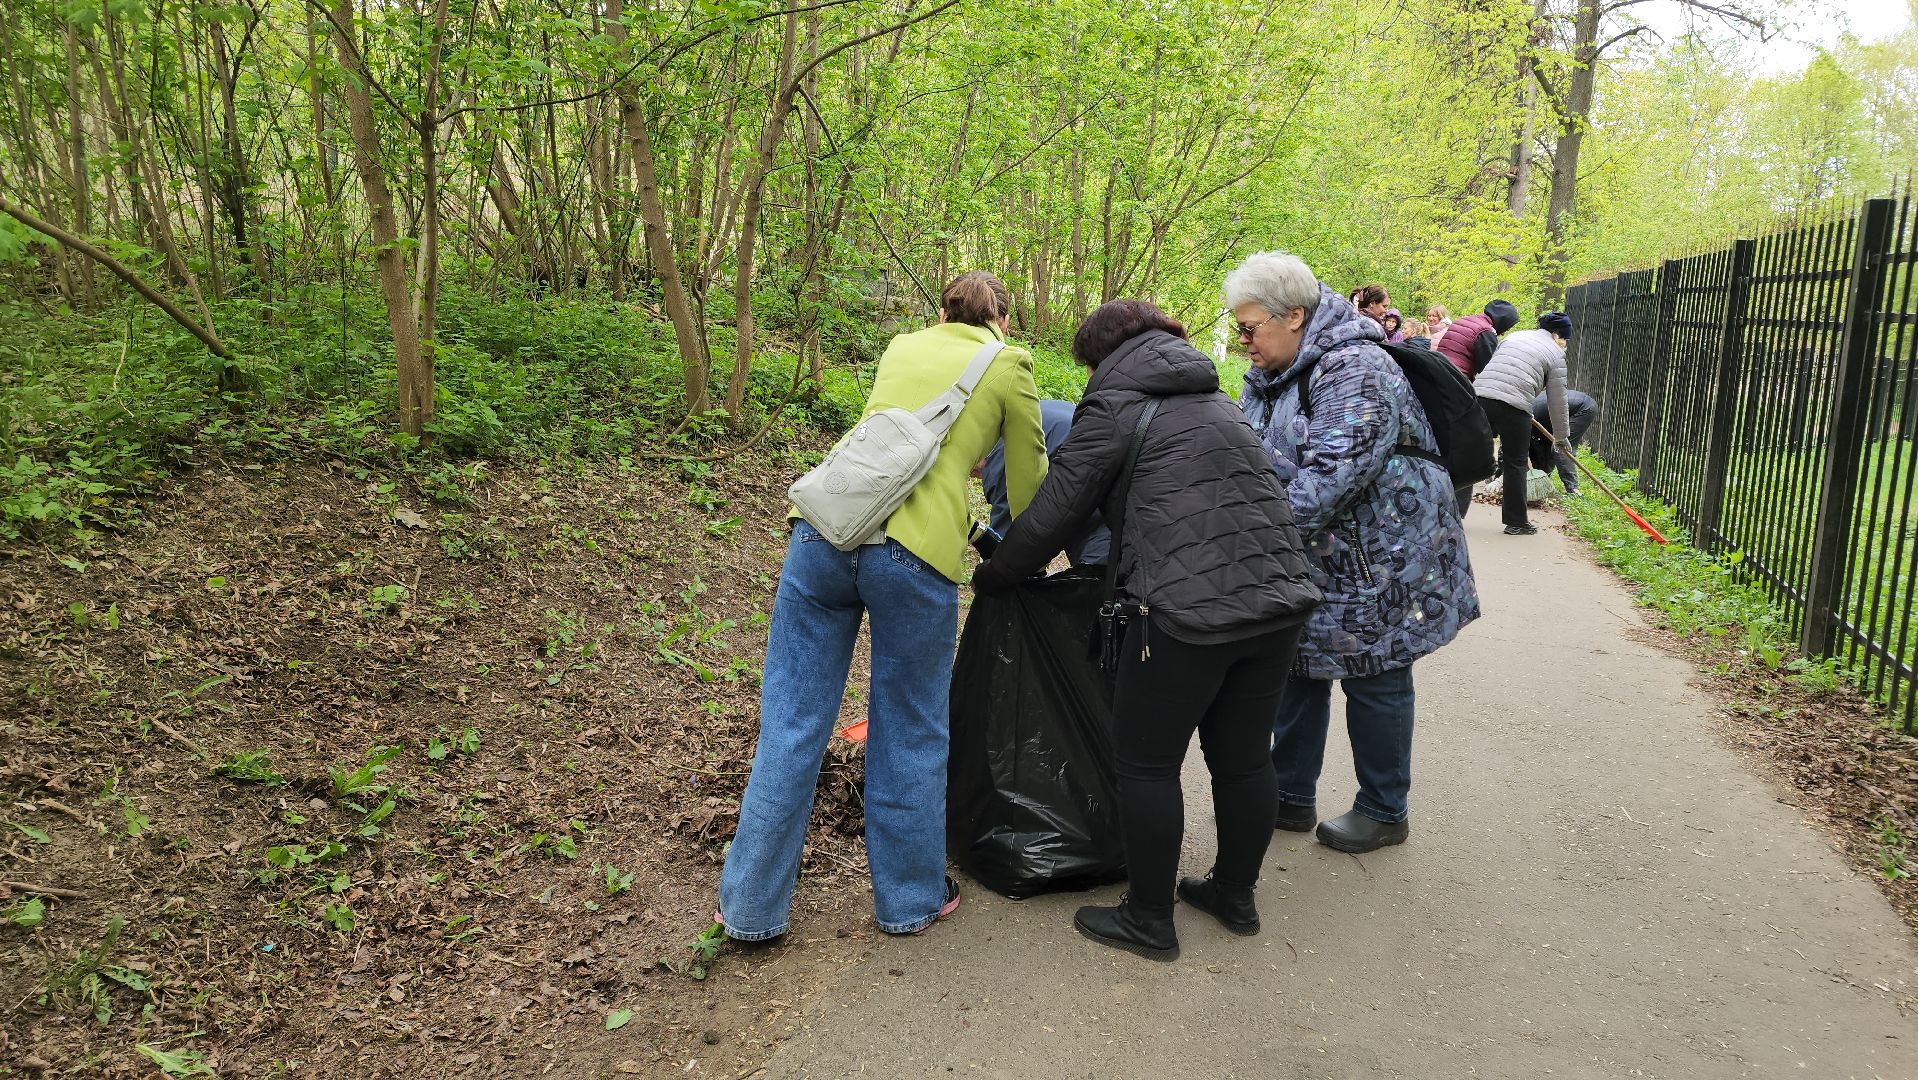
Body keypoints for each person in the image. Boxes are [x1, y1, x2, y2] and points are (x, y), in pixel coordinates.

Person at [973, 299, 1320, 962]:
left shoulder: (1115, 407)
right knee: (1245, 758)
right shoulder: (1219, 403)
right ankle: (1234, 895)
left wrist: (996, 578)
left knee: (1145, 763)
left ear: (1104, 357)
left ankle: (1149, 919)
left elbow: (1053, 512)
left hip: (1184, 616)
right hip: (1277, 605)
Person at [717, 271, 1047, 941]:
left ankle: (749, 908)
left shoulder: (902, 345)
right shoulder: (1010, 363)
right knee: (910, 728)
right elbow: (1030, 481)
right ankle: (909, 900)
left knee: (791, 723)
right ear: (1002, 321)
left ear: (942, 311)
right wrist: (1001, 530)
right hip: (913, 557)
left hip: (823, 533)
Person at [1229, 250, 1480, 855]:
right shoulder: (1272, 370)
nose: (1243, 342)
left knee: (1378, 673)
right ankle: (1289, 794)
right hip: (1313, 554)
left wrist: (1252, 534)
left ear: (1294, 315)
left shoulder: (1356, 367)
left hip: (1382, 555)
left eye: (1249, 327)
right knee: (1296, 667)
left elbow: (1335, 474)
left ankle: (1384, 808)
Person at [1477, 312, 1575, 536]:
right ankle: (1516, 522)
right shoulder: (1556, 354)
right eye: (1565, 340)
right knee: (1515, 463)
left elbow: (1497, 368)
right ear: (1557, 335)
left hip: (1480, 396)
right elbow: (1558, 399)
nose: (1565, 344)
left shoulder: (1514, 337)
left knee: (1469, 452)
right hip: (1516, 406)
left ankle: (1448, 510)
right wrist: (1561, 436)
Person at [979, 399, 1110, 565]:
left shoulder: (1001, 459)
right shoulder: (1016, 421)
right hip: (1104, 467)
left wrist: (988, 576)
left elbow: (1007, 540)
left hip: (1093, 488)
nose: (975, 476)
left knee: (1097, 572)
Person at [1530, 388, 1598, 496]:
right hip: (1558, 412)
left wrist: (1499, 478)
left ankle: (1573, 490)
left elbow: (1509, 450)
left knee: (1560, 447)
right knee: (1544, 443)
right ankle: (1544, 480)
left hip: (1582, 409)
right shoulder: (1524, 410)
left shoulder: (1521, 419)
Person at [1432, 299, 1518, 381]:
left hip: (1435, 368)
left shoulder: (1463, 320)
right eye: (1506, 328)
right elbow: (1488, 370)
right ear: (1502, 322)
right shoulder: (1485, 332)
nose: (1503, 333)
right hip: (1454, 378)